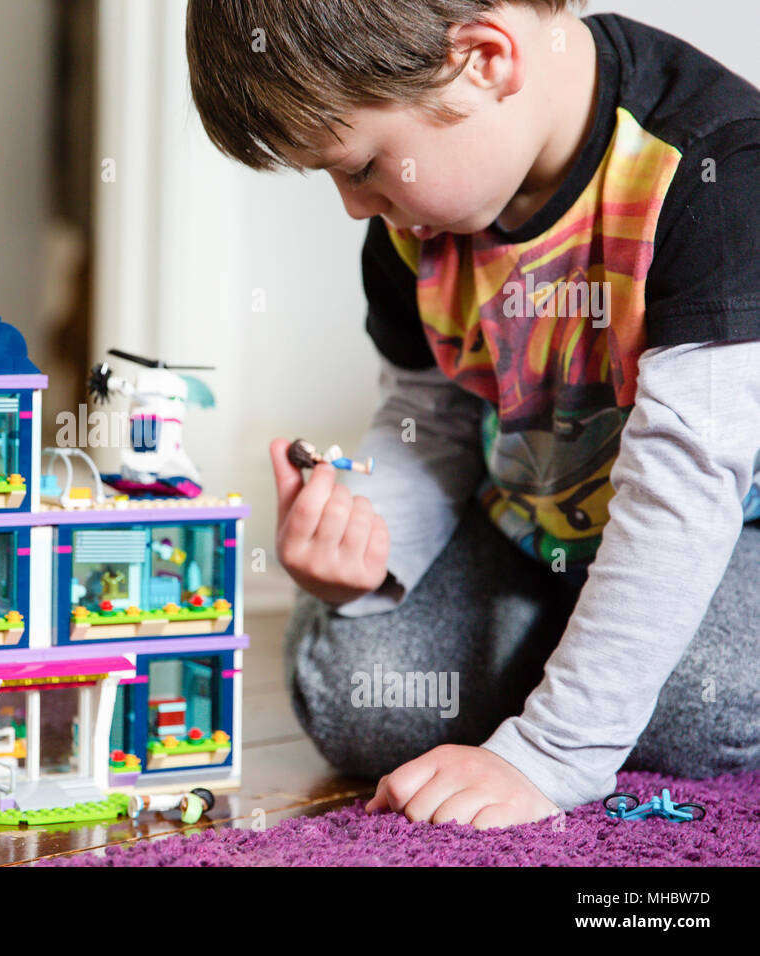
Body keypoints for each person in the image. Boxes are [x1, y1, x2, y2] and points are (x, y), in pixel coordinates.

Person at [185, 0, 760, 827]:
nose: (355, 207)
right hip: (537, 530)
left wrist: (553, 754)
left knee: (702, 702)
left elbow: (683, 492)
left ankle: (585, 681)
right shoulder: (414, 218)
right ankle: (587, 659)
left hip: (720, 534)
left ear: (484, 60)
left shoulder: (716, 170)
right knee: (354, 689)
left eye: (360, 166)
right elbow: (432, 418)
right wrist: (370, 554)